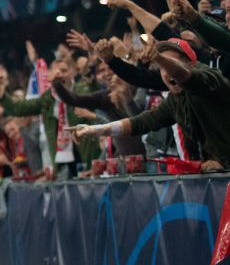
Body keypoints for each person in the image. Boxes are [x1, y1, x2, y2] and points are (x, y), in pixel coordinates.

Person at [69, 39, 230, 171]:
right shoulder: (175, 99)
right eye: (161, 68)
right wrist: (95, 130)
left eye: (170, 64)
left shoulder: (209, 78)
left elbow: (185, 76)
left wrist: (160, 58)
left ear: (192, 64)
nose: (166, 72)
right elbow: (141, 122)